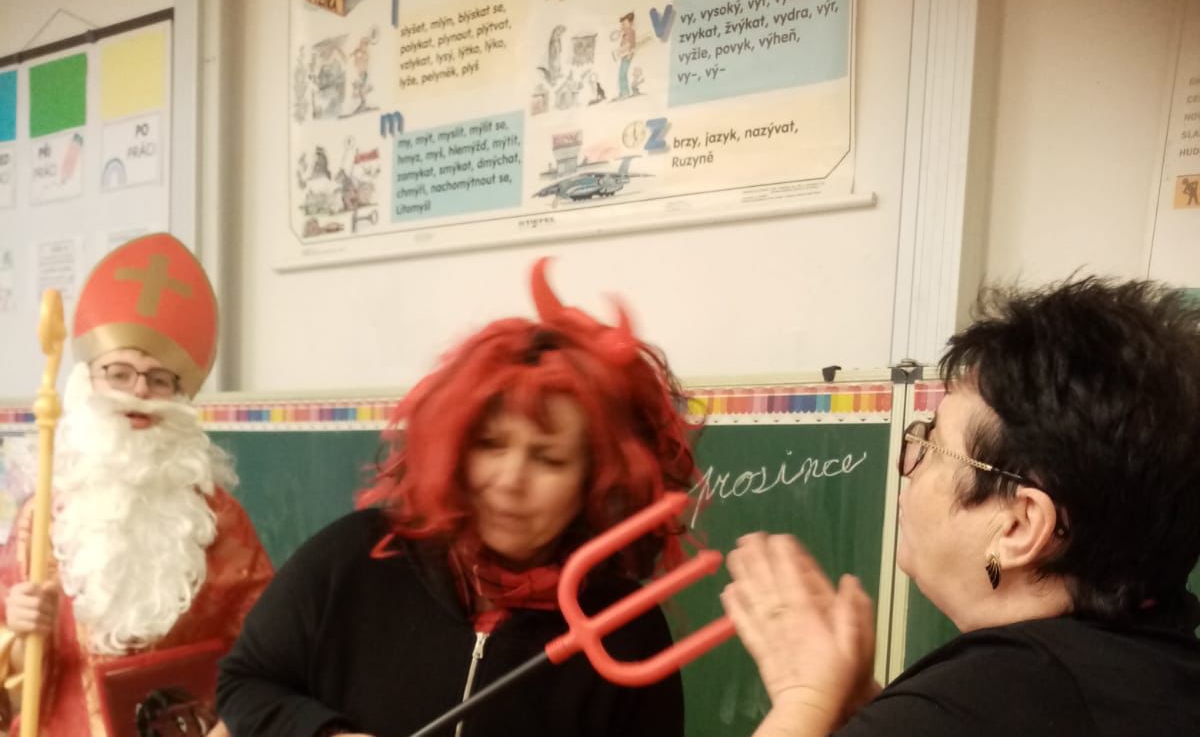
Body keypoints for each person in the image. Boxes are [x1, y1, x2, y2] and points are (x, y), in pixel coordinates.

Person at [217, 258, 699, 737]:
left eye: (549, 459)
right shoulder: (353, 559)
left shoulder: (625, 630)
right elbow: (245, 684)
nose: (510, 480)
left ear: (594, 482)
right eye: (489, 445)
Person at [722, 277, 1200, 737]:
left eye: (932, 444)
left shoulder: (997, 693)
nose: (906, 464)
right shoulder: (1150, 664)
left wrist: (804, 699)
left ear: (1019, 526)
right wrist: (866, 711)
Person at [0, 233, 273, 736]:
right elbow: (12, 680)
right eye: (119, 373)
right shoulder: (41, 521)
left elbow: (268, 657)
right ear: (88, 382)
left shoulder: (220, 521)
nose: (139, 393)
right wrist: (18, 633)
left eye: (159, 379)